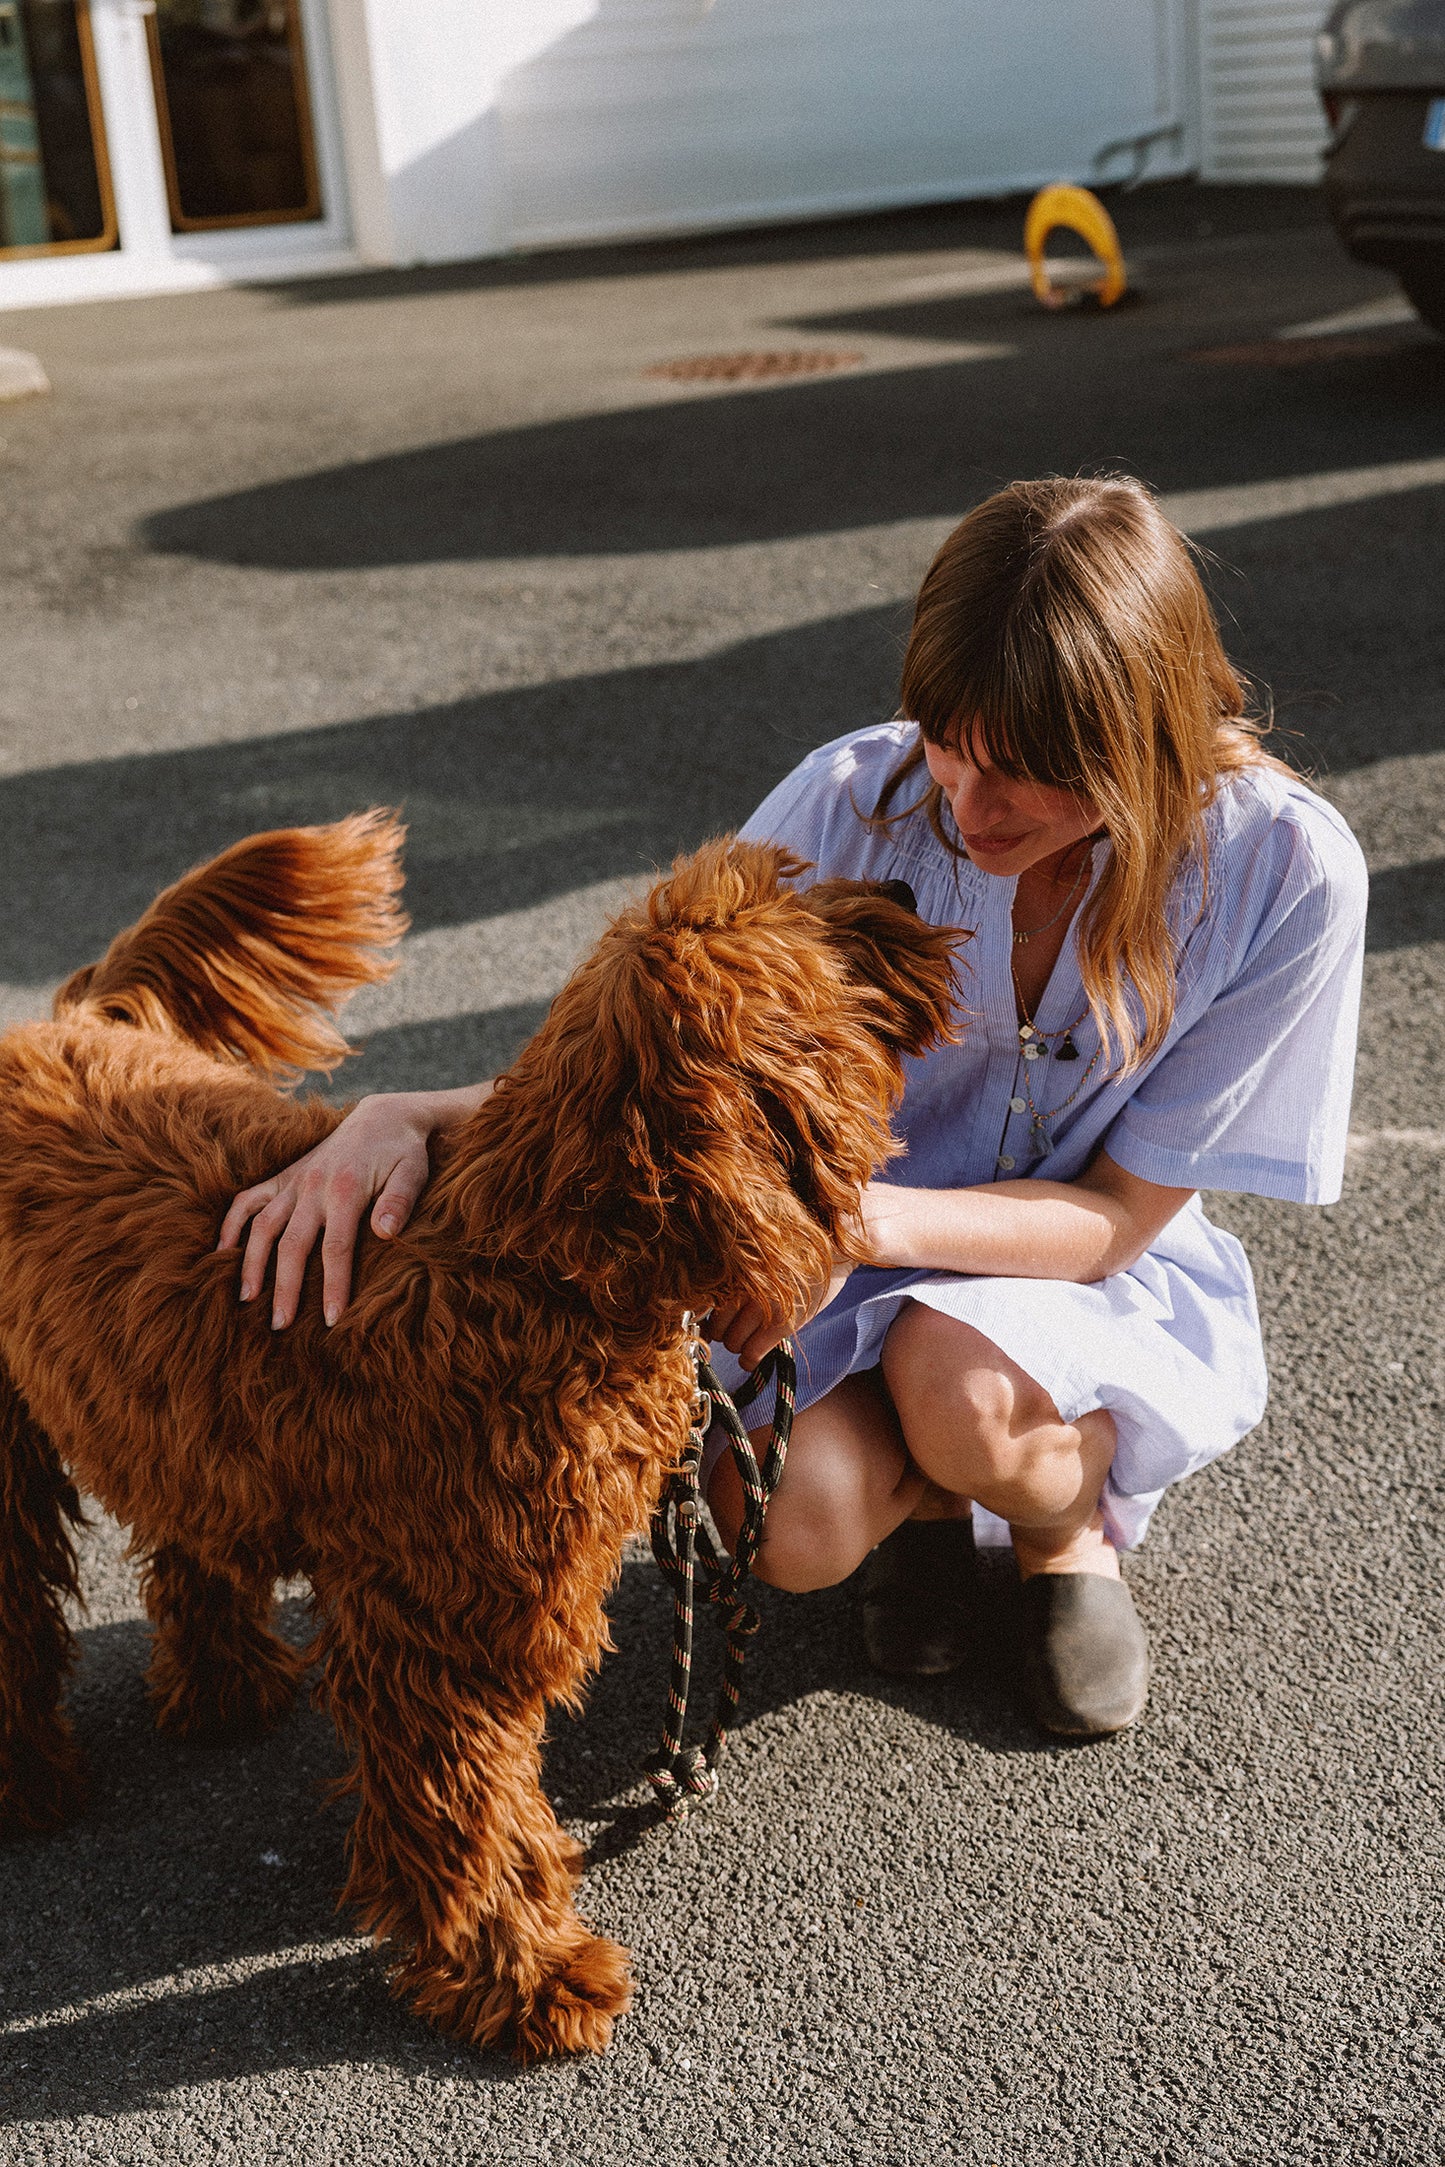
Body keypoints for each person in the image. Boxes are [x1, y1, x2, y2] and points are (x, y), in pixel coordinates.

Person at [218, 476, 1368, 1738]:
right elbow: (647, 1069)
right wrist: (407, 1112)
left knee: (960, 1386)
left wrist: (836, 1223)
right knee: (789, 1527)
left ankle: (1056, 1528)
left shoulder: (1280, 869)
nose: (966, 807)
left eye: (1024, 775)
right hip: (833, 1259)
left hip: (1055, 1265)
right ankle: (922, 1514)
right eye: (945, 738)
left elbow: (1112, 1218)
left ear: (1140, 739)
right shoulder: (852, 800)